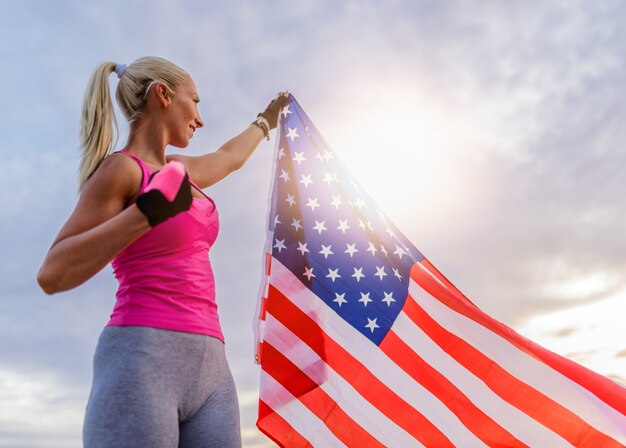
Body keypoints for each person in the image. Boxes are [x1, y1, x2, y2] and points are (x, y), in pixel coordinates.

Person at [36, 56, 288, 448]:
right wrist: (146, 213)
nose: (200, 119)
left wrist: (266, 121)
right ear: (163, 95)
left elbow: (229, 159)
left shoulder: (179, 169)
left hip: (211, 368)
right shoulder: (122, 171)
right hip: (142, 356)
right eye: (196, 101)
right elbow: (52, 273)